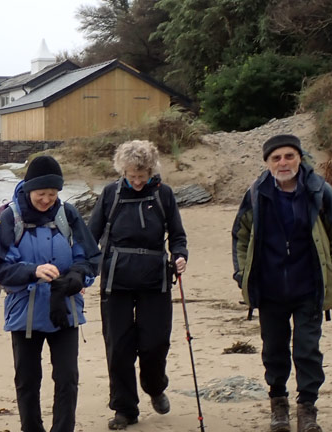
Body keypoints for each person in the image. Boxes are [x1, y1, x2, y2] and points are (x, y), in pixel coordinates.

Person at [232, 134, 332, 432]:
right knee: (274, 350)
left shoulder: (319, 191)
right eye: (276, 158)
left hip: (309, 288)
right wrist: (242, 274)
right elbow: (241, 236)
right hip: (270, 289)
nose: (283, 162)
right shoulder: (256, 193)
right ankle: (279, 406)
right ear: (267, 163)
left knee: (307, 350)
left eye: (289, 156)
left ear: (300, 158)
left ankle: (307, 409)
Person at [0, 155, 100, 432]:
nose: (47, 199)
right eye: (42, 193)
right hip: (24, 313)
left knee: (67, 378)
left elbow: (90, 258)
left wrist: (75, 276)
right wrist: (33, 271)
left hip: (66, 309)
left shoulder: (68, 214)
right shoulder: (10, 217)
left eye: (53, 194)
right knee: (27, 379)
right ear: (28, 188)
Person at [88, 140, 188, 430]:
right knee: (118, 348)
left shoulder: (163, 194)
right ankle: (125, 408)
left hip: (155, 280)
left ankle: (155, 385)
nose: (137, 180)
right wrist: (83, 270)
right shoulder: (111, 193)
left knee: (155, 343)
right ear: (122, 170)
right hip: (115, 281)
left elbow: (178, 235)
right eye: (131, 174)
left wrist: (180, 256)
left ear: (151, 169)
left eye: (141, 174)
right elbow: (91, 235)